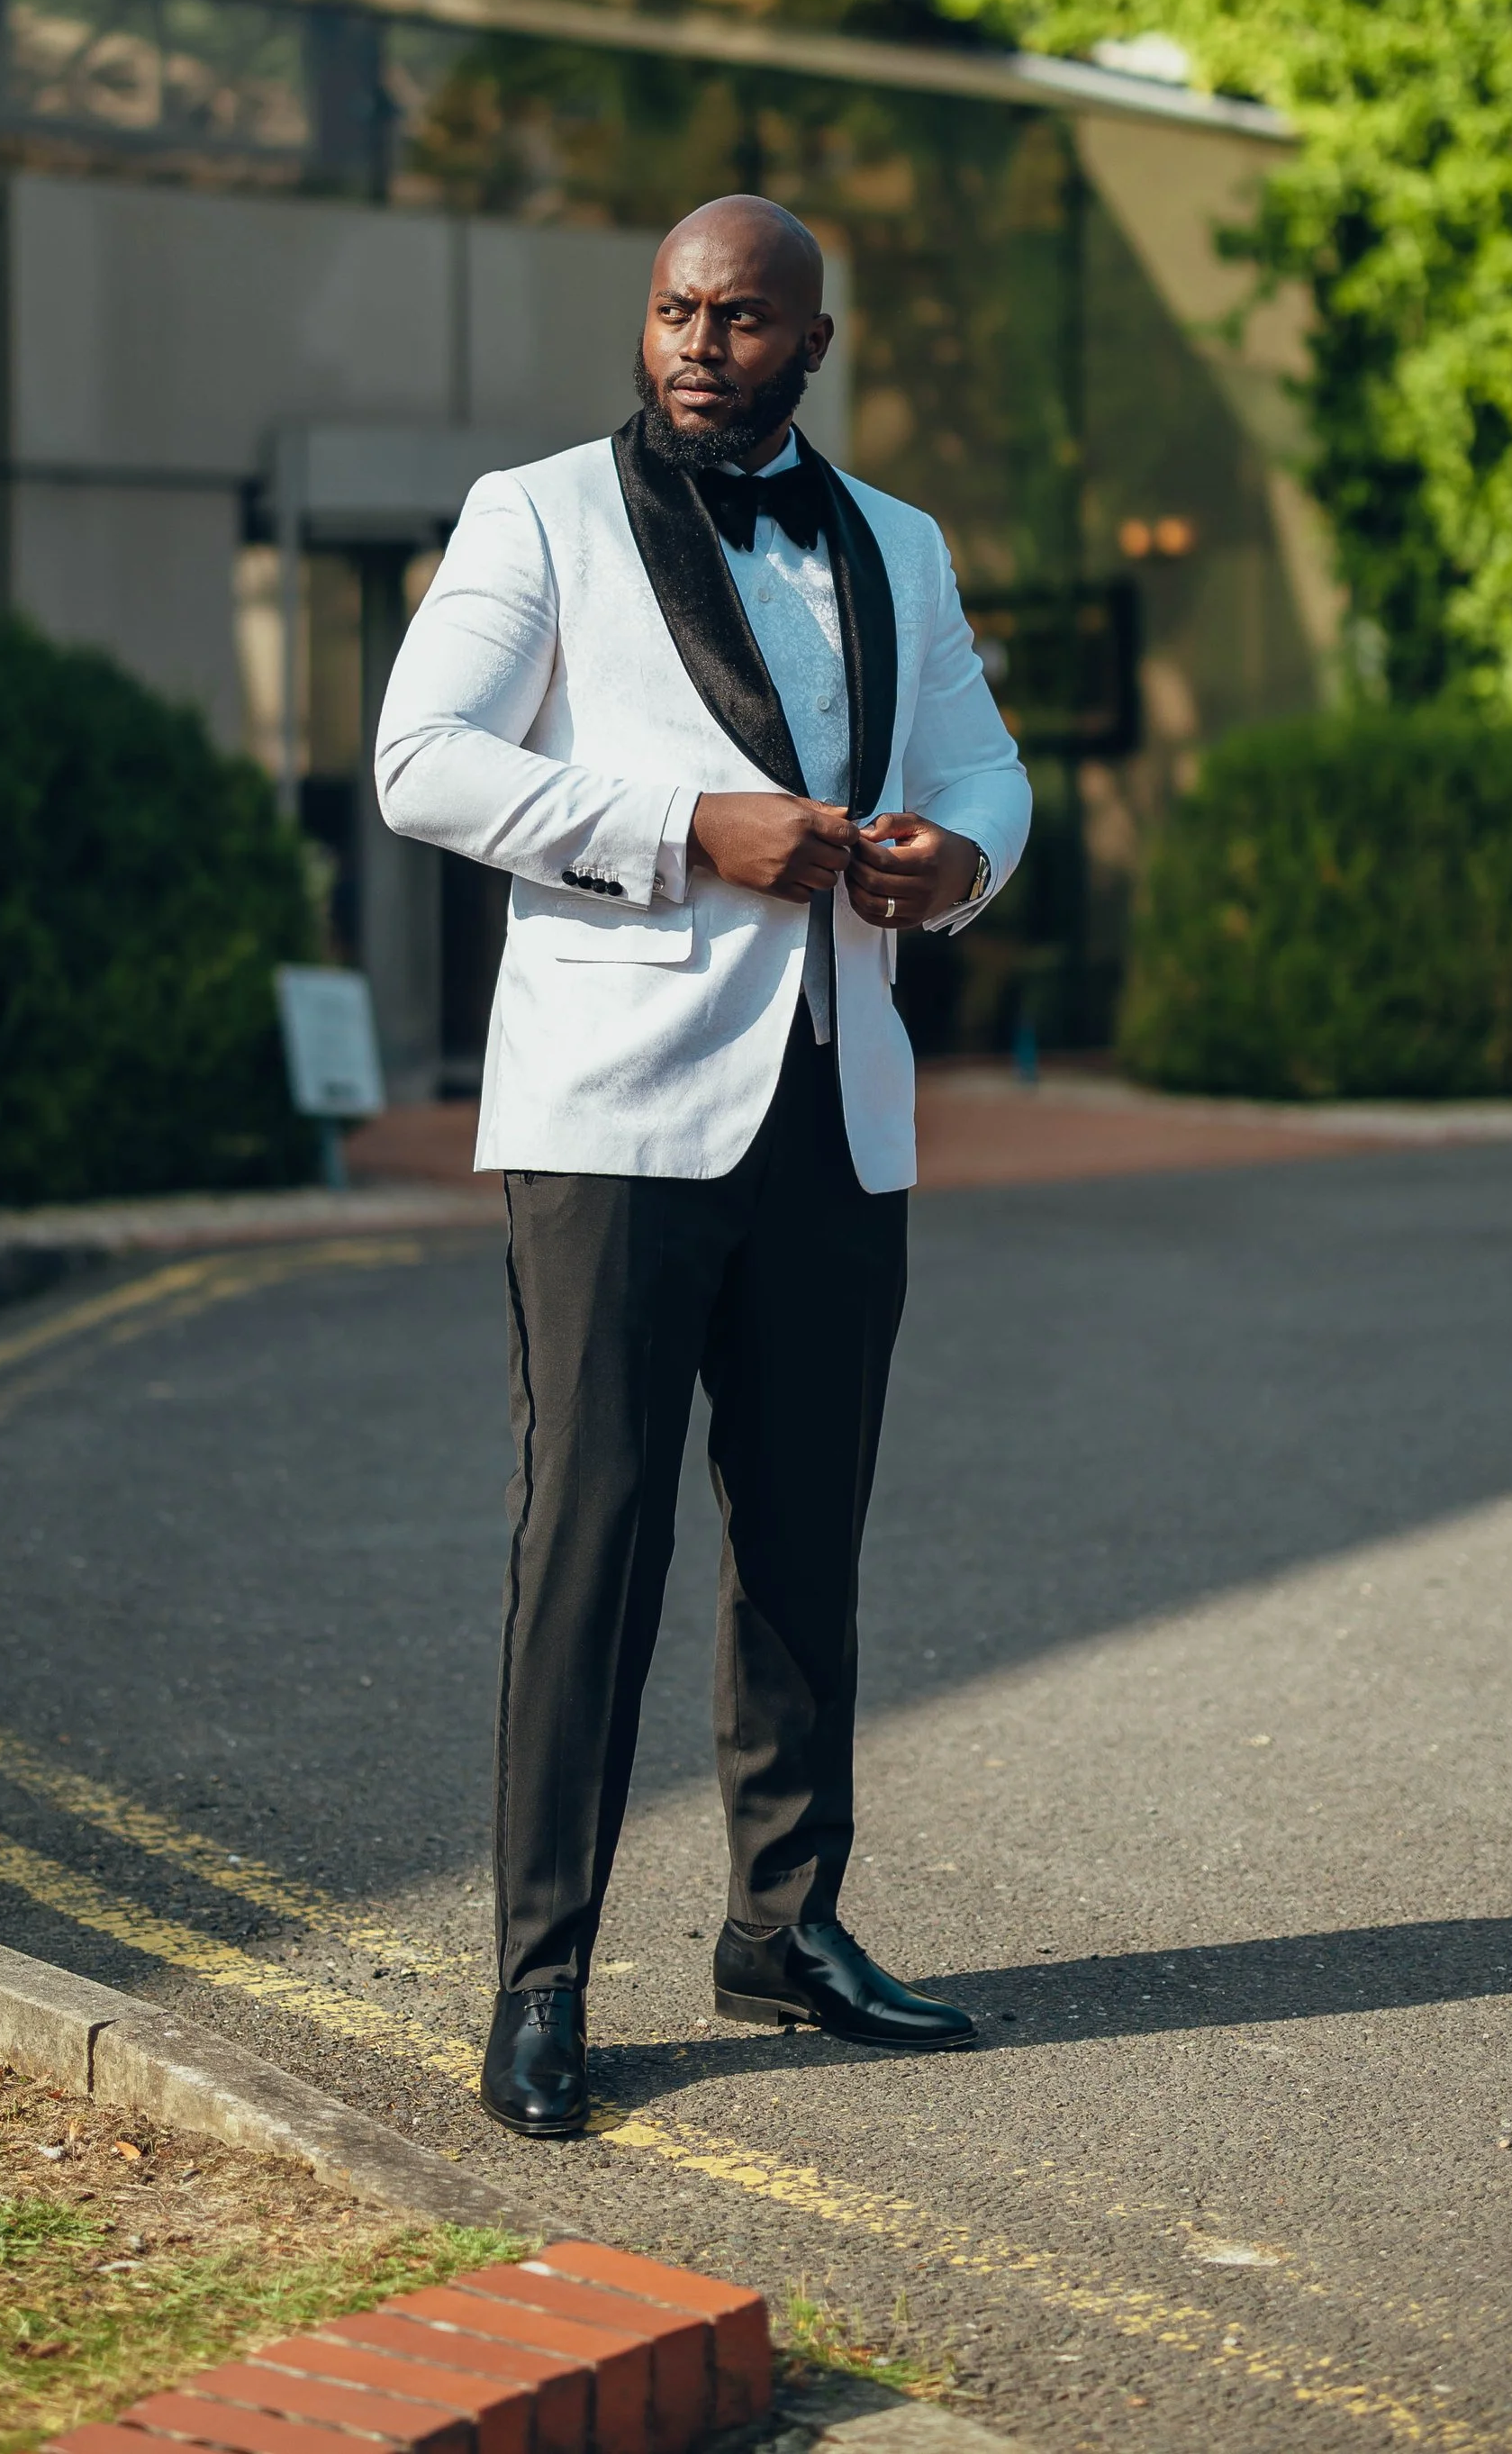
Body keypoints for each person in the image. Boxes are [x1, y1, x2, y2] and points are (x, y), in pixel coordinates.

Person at [374, 192, 1031, 2139]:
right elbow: (423, 760)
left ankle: (783, 1932)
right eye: (671, 308)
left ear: (809, 343)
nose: (694, 341)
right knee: (593, 1539)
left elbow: (983, 765)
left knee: (802, 1544)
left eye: (739, 318)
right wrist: (686, 828)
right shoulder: (537, 515)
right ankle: (541, 1978)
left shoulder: (897, 542)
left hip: (838, 1106)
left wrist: (957, 858)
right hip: (616, 1117)